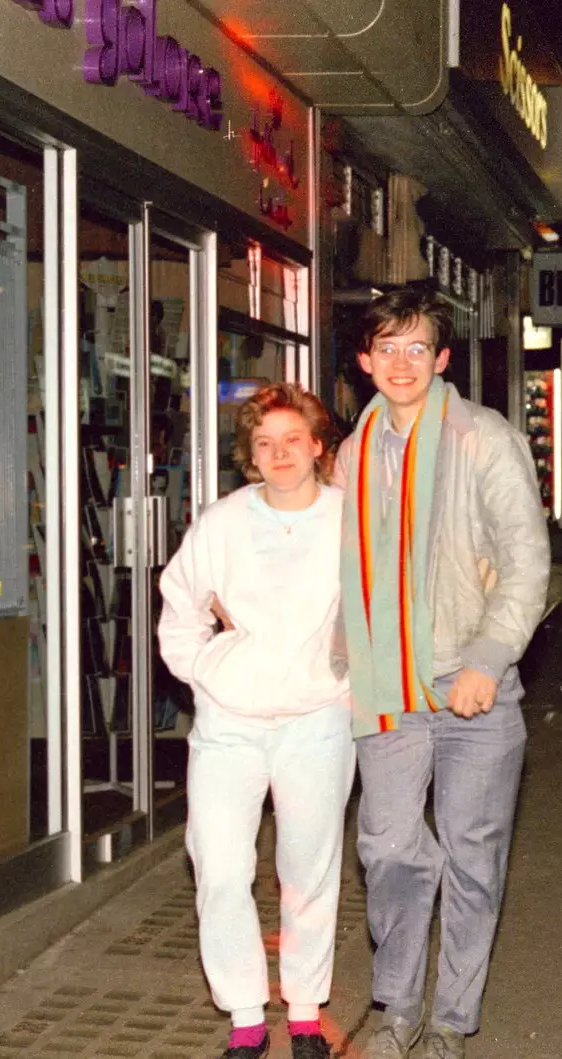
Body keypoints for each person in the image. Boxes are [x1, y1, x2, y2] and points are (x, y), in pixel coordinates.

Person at [337, 286, 550, 1059]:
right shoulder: (352, 452)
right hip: (388, 689)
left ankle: (450, 1021)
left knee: (473, 858)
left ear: (442, 357)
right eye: (386, 348)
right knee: (390, 847)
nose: (401, 363)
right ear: (365, 361)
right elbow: (338, 573)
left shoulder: (482, 437)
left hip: (473, 690)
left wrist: (488, 659)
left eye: (416, 348)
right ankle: (398, 1003)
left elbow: (528, 560)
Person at [158, 383, 353, 1059]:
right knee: (218, 862)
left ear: (317, 446)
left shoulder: (348, 518)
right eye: (264, 443)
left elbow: (380, 605)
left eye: (292, 440)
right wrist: (206, 665)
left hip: (316, 719)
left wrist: (346, 668)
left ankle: (303, 1010)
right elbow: (179, 603)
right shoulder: (224, 521)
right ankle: (245, 1011)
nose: (279, 454)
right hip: (230, 723)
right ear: (250, 453)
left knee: (308, 866)